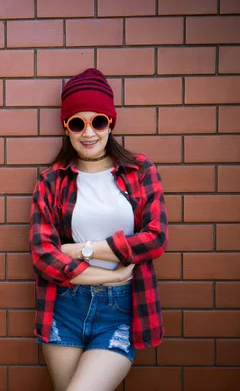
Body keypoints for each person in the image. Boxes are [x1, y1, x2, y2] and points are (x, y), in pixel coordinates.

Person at [29, 68, 168, 391]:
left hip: (119, 310)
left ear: (111, 123)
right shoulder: (52, 180)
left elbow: (155, 237)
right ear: (66, 128)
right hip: (65, 306)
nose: (88, 132)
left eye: (98, 121)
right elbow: (43, 257)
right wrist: (113, 274)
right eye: (77, 123)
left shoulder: (140, 170)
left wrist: (82, 250)